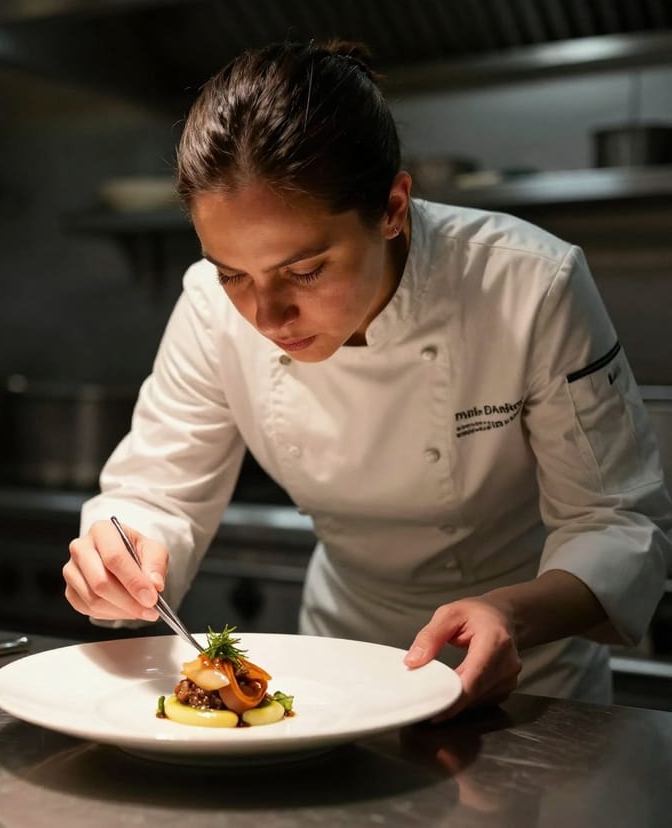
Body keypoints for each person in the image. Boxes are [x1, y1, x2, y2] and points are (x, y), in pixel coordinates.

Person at [63, 40, 672, 718]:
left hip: (531, 672)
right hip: (341, 663)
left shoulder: (529, 283)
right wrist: (123, 551)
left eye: (305, 271)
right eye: (233, 272)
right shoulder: (209, 307)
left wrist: (511, 614)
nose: (267, 314)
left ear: (391, 208)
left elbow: (615, 522)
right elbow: (157, 492)